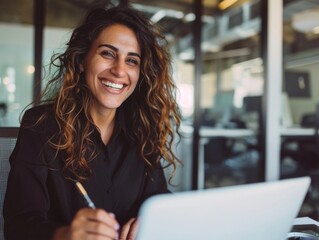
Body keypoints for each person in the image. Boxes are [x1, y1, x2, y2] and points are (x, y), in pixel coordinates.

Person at [3, 4, 181, 240]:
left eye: (132, 61)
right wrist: (65, 235)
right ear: (81, 61)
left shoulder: (142, 129)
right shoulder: (42, 125)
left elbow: (158, 196)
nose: (119, 70)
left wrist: (149, 220)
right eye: (107, 53)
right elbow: (19, 225)